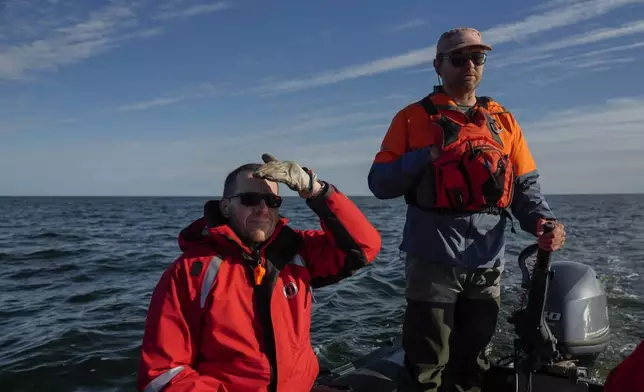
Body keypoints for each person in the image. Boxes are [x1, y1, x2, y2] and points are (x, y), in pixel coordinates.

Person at [367, 27, 566, 392]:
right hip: (432, 260)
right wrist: (425, 157)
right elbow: (380, 183)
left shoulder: (503, 121)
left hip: (487, 264)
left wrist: (543, 221)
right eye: (458, 59)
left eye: (478, 58)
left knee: (474, 361)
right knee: (427, 362)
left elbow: (524, 188)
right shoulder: (411, 119)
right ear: (437, 66)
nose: (469, 66)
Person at [137, 153, 381, 392]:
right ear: (225, 206)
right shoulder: (190, 273)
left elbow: (363, 247)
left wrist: (315, 190)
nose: (263, 210)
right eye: (250, 199)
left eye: (273, 201)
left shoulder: (296, 253)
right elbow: (164, 374)